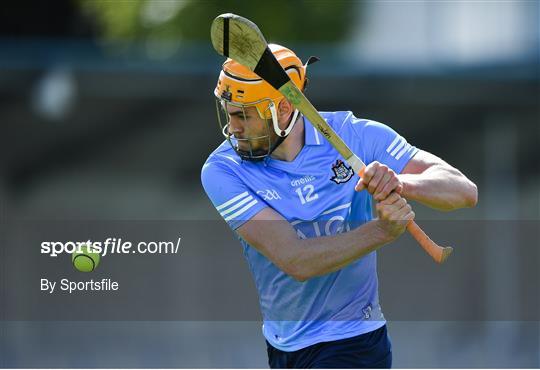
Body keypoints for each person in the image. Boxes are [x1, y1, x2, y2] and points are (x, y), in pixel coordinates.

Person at [201, 44, 477, 368]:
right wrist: (382, 231)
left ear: (284, 108)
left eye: (243, 115)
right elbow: (296, 261)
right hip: (285, 347)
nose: (233, 127)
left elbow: (463, 190)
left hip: (354, 342)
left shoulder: (357, 136)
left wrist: (400, 183)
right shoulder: (223, 170)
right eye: (229, 112)